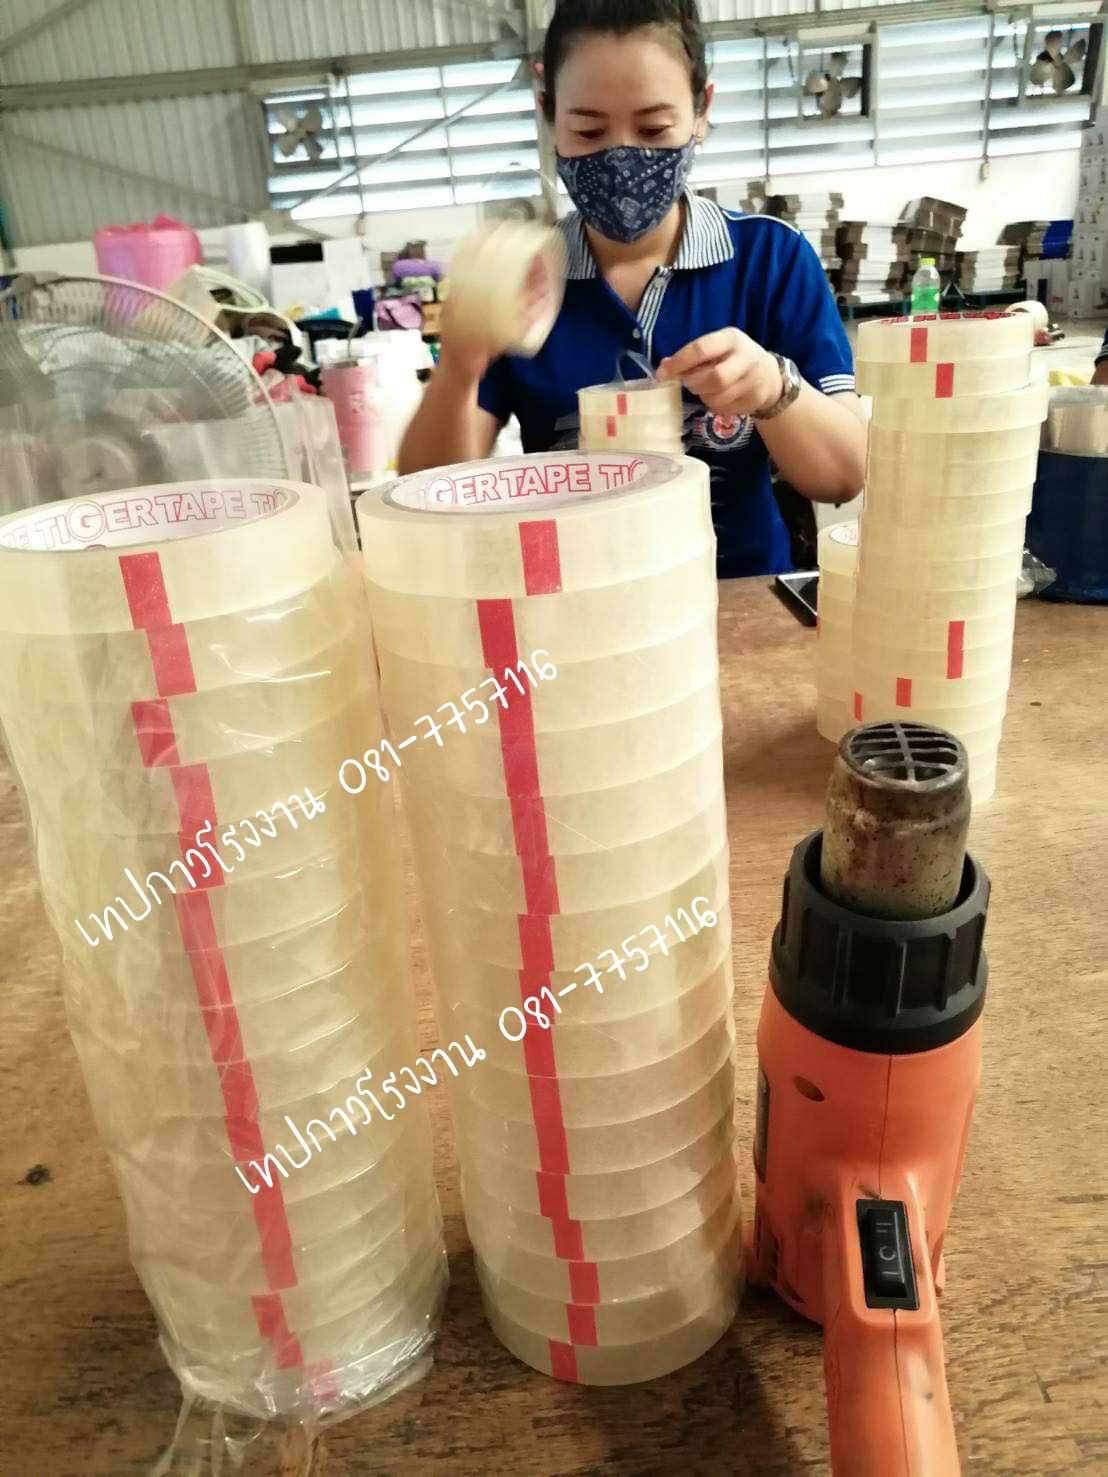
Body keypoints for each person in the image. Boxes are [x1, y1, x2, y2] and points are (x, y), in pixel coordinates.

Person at [399, 0, 867, 578]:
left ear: (701, 110)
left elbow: (844, 477)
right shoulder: (525, 282)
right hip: (581, 603)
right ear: (549, 113)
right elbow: (428, 492)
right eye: (589, 130)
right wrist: (460, 365)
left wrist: (774, 389)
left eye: (653, 129)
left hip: (739, 601)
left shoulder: (769, 261)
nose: (622, 159)